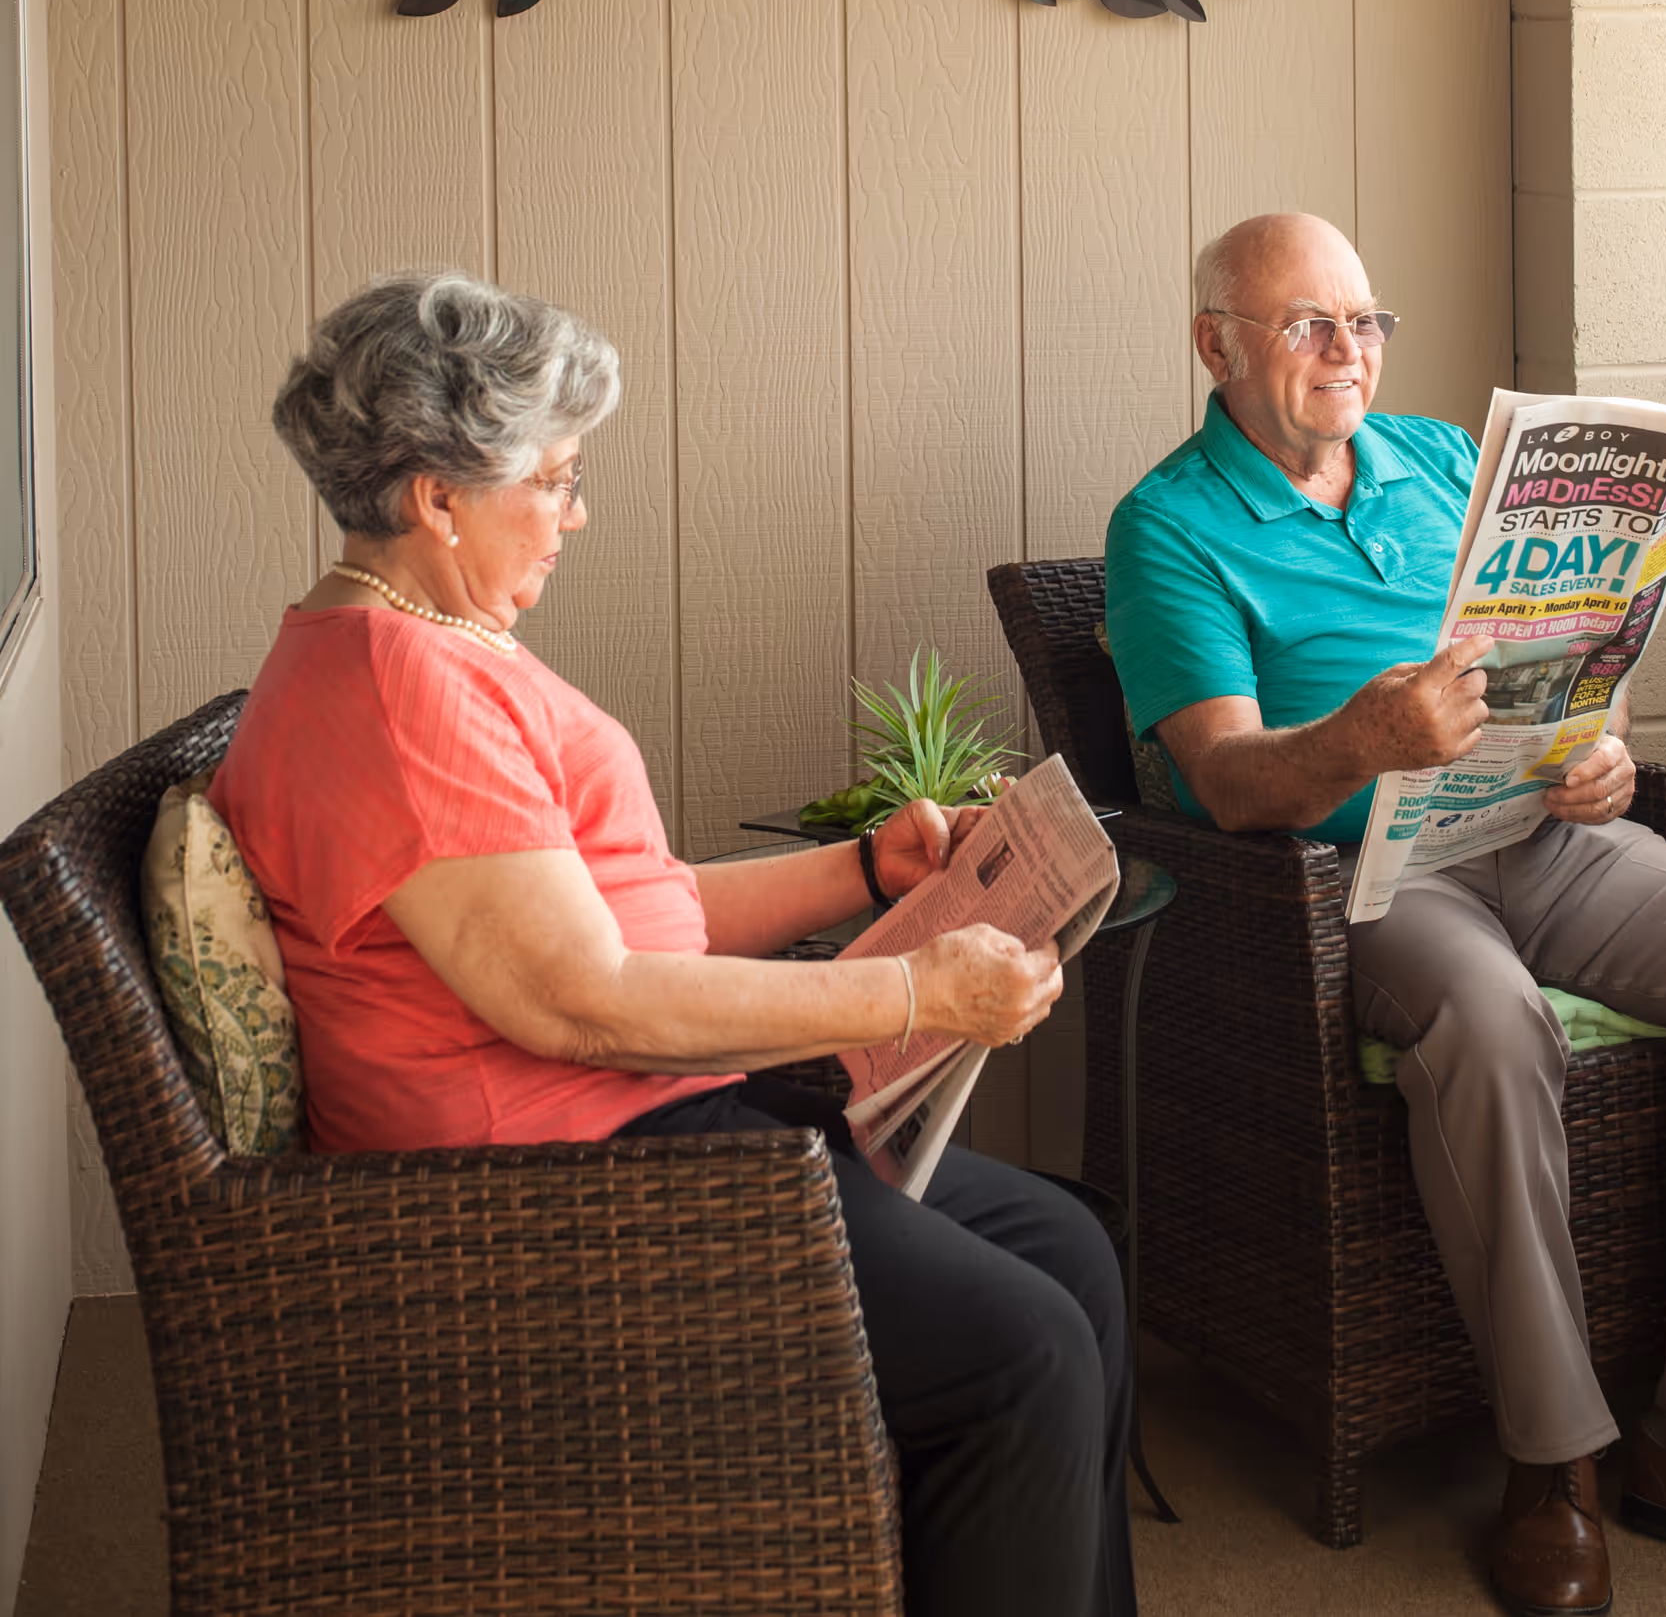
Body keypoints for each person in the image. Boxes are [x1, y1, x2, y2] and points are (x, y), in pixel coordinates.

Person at [213, 271, 1134, 1617]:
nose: (574, 517)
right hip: (560, 1191)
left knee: (1069, 1253)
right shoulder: (401, 693)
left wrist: (863, 868)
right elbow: (584, 1003)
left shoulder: (420, 642)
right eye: (557, 480)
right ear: (437, 495)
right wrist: (910, 991)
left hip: (633, 1114)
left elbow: (624, 911)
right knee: (1024, 1354)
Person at [1104, 212, 1666, 1617]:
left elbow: (1582, 637)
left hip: (1544, 832)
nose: (1349, 353)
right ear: (1215, 344)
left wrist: (1605, 742)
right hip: (1367, 878)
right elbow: (1226, 784)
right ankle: (1556, 1462)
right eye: (1307, 325)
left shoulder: (1444, 461)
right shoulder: (1167, 527)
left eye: (1366, 321)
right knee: (1489, 1019)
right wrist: (1363, 737)